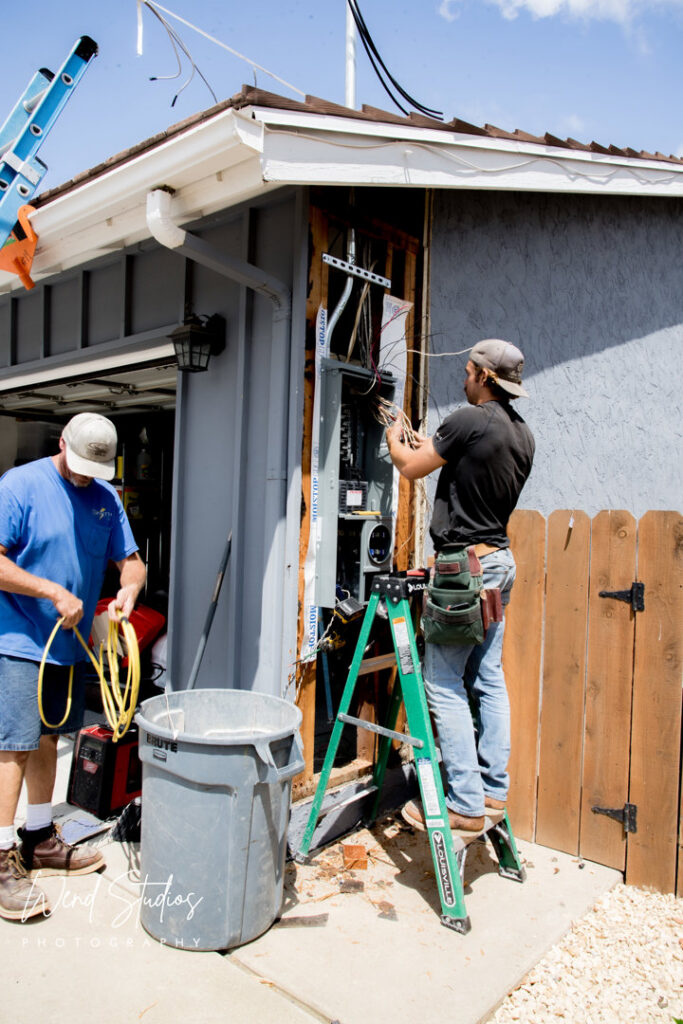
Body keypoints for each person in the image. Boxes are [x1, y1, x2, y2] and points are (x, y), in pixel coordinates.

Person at [0, 413, 146, 920]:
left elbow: (131, 562)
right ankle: (0, 859)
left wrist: (126, 592)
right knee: (12, 745)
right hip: (19, 639)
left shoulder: (105, 500)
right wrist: (52, 591)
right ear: (62, 443)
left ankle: (37, 837)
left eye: (95, 469)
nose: (85, 477)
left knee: (46, 740)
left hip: (70, 647)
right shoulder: (19, 486)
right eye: (79, 465)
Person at [386, 339, 535, 833]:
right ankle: (492, 791)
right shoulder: (522, 434)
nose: (464, 377)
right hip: (499, 563)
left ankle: (465, 804)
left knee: (442, 682)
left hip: (464, 569)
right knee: (487, 678)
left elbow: (410, 467)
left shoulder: (469, 420)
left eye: (469, 372)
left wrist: (392, 436)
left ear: (486, 378)